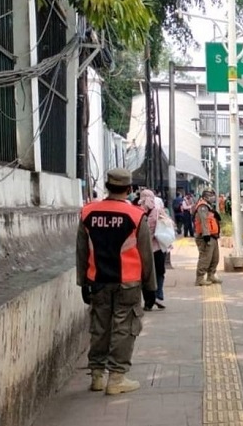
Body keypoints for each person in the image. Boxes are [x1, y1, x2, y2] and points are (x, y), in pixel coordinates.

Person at [76, 168, 157, 395]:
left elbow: (81, 252)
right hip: (128, 283)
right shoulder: (135, 215)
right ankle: (117, 379)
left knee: (99, 327)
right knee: (124, 328)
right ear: (129, 189)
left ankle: (97, 376)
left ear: (107, 186)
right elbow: (145, 254)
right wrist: (151, 287)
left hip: (97, 281)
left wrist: (82, 282)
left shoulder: (88, 213)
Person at [138, 189, 167, 311]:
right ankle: (158, 293)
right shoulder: (158, 211)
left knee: (146, 274)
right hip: (158, 247)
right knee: (159, 271)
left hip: (142, 249)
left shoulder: (138, 211)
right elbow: (168, 224)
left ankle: (149, 301)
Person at [193, 188, 222, 286]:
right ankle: (200, 278)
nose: (213, 198)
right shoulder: (202, 207)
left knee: (214, 257)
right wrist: (206, 235)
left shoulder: (208, 206)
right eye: (211, 196)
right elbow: (204, 221)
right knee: (205, 258)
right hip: (205, 237)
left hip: (213, 236)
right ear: (205, 197)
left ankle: (211, 275)